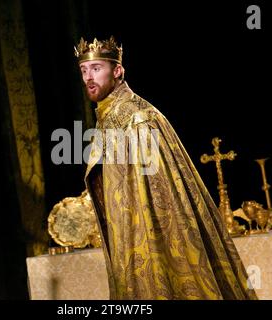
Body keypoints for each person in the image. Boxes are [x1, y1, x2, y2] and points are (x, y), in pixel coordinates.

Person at [75, 36, 257, 300]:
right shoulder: (109, 115)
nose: (89, 77)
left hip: (148, 231)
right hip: (126, 229)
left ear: (117, 71)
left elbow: (158, 191)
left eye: (96, 68)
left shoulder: (137, 118)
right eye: (83, 70)